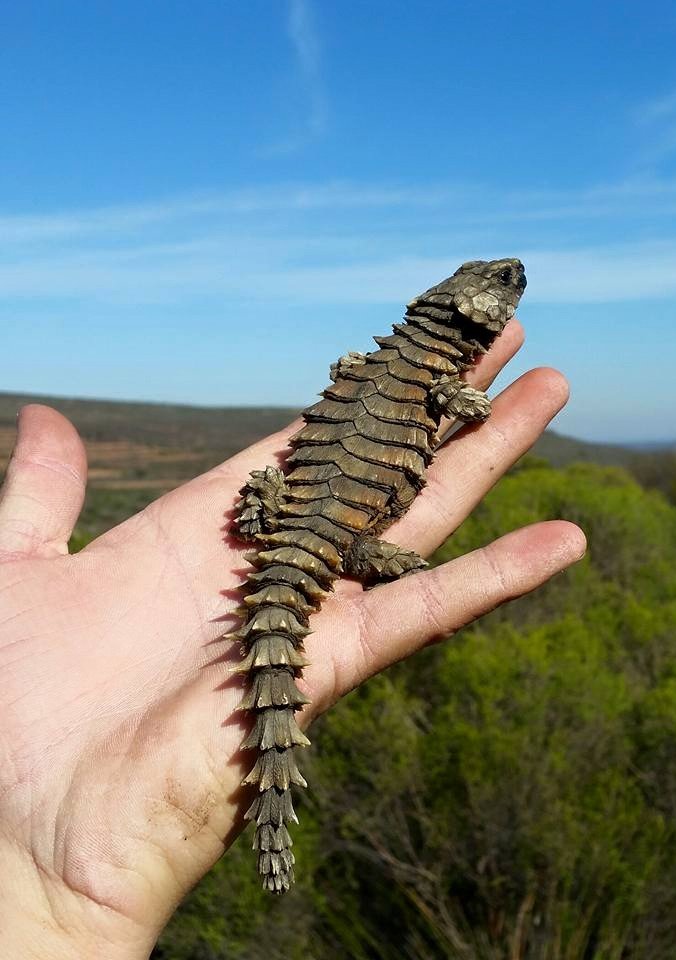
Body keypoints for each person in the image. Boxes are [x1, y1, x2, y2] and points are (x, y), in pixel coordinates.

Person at [0, 320, 585, 959]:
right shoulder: (434, 381)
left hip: (303, 522)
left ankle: (275, 819)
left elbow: (368, 379)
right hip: (335, 537)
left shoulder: (376, 365)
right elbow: (462, 405)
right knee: (371, 582)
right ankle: (273, 824)